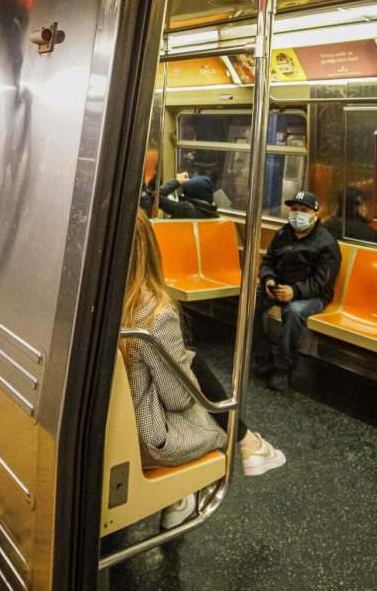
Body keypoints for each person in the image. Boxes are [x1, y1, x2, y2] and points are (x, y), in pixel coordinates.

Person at [122, 210, 286, 529]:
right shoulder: (154, 312)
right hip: (150, 440)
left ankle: (248, 445)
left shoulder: (97, 303)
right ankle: (245, 443)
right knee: (206, 405)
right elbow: (178, 400)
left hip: (116, 425)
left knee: (191, 359)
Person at [253, 191, 341, 390]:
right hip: (279, 287)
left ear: (315, 214)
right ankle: (262, 356)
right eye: (294, 209)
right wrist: (268, 279)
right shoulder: (284, 234)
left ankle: (282, 368)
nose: (297, 214)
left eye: (303, 210)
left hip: (313, 295)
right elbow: (268, 262)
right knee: (250, 303)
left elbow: (322, 282)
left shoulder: (327, 243)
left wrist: (295, 291)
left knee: (293, 311)